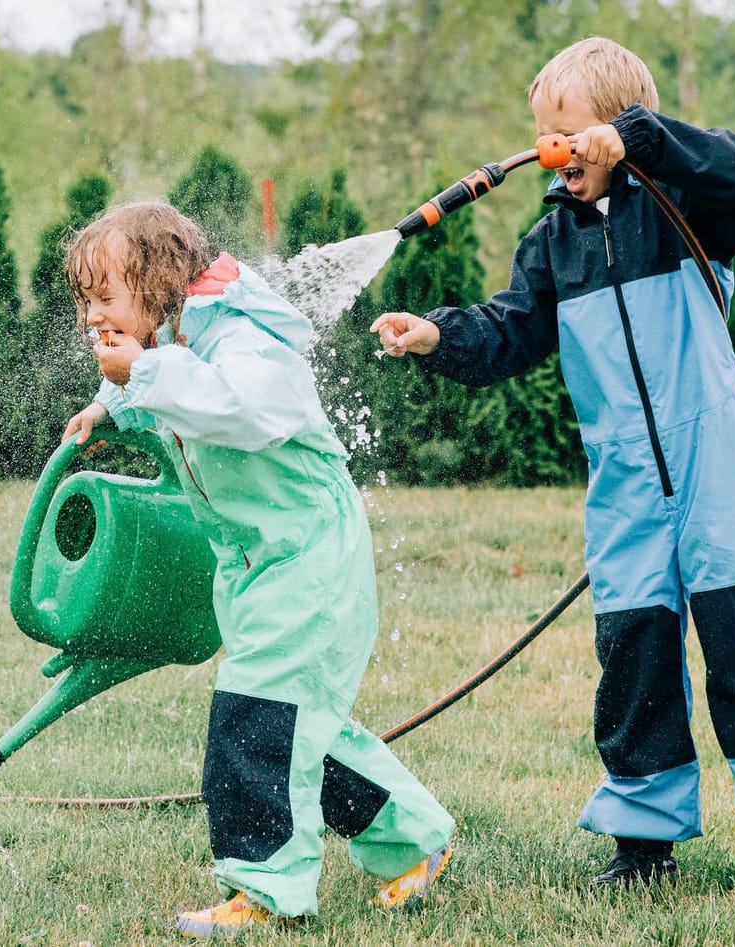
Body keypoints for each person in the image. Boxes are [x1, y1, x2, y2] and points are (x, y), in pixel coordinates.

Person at [371, 38, 735, 894]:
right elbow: (511, 330)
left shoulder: (682, 206)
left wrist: (640, 138)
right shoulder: (552, 243)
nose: (554, 154)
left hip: (715, 463)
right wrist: (440, 335)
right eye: (545, 137)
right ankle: (642, 841)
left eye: (570, 135)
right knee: (632, 653)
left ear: (610, 131)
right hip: (625, 477)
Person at [62, 201, 454, 937]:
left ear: (161, 282)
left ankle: (268, 890)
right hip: (252, 560)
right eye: (86, 299)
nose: (92, 314)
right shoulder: (177, 333)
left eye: (105, 295)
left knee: (256, 716)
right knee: (299, 719)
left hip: (307, 554)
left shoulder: (245, 336)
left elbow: (240, 409)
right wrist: (109, 404)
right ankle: (416, 836)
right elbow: (167, 383)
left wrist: (142, 371)